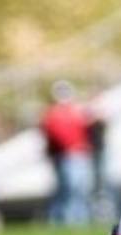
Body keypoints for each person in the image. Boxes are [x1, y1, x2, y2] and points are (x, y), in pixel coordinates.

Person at [40, 82, 93, 227]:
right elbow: (57, 134)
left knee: (80, 190)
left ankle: (79, 221)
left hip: (78, 154)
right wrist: (70, 146)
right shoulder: (53, 113)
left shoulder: (75, 111)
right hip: (66, 156)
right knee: (68, 190)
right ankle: (65, 221)